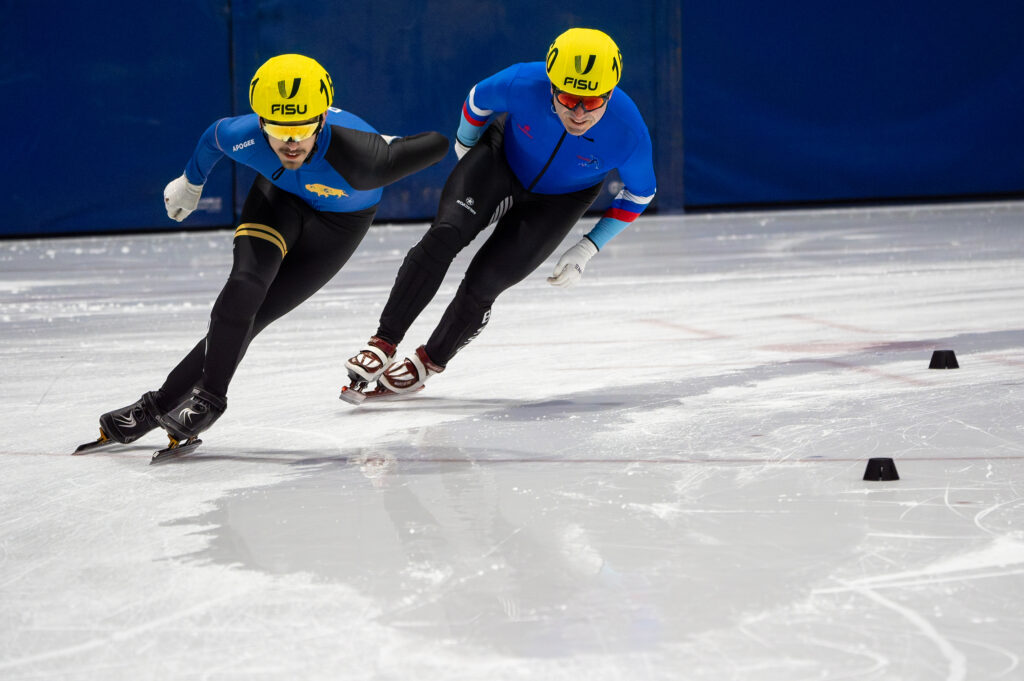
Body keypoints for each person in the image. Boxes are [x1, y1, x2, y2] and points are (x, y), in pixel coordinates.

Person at [84, 53, 448, 451]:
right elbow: (212, 138)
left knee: (255, 317)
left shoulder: (364, 160)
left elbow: (438, 144)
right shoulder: (242, 135)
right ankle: (201, 400)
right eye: (278, 130)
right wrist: (190, 183)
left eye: (303, 130)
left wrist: (388, 147)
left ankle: (160, 405)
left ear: (322, 120)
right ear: (260, 122)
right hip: (279, 200)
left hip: (338, 227)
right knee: (244, 288)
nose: (291, 143)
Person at [340, 28, 656, 403]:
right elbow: (477, 101)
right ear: (552, 86)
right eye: (569, 98)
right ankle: (383, 341)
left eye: (593, 101)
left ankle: (428, 362)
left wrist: (589, 247)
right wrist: (466, 147)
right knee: (444, 234)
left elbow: (641, 193)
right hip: (499, 161)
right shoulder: (524, 81)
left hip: (559, 201)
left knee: (484, 284)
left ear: (610, 94)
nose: (579, 112)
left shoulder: (629, 130)